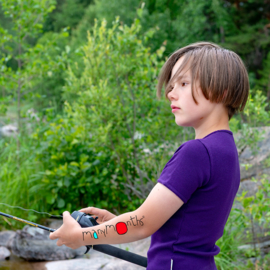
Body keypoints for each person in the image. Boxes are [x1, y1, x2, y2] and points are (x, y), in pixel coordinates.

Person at [49, 41, 249, 270]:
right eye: (172, 85)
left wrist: (83, 236)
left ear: (221, 91)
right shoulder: (226, 150)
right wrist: (116, 222)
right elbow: (182, 227)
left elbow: (141, 224)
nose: (171, 93)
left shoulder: (196, 153)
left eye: (183, 83)